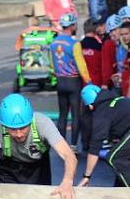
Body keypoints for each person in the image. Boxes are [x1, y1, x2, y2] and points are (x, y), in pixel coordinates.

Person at [0, 94, 78, 199]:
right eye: (13, 129)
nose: (19, 134)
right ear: (4, 125)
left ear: (30, 121)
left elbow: (69, 156)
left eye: (23, 127)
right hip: (8, 171)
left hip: (38, 169)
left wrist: (67, 181)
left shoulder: (43, 123)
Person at [49, 13, 91, 150]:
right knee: (75, 115)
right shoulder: (74, 44)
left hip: (60, 82)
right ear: (72, 26)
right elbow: (81, 66)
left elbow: (51, 64)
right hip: (74, 82)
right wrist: (89, 82)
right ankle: (73, 145)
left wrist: (58, 74)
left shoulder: (53, 43)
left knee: (62, 115)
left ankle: (61, 146)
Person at [80, 18, 105, 152]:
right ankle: (97, 143)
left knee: (85, 116)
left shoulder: (79, 46)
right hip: (97, 84)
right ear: (95, 30)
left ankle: (85, 143)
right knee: (98, 115)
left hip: (83, 85)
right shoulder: (99, 46)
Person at [101, 14, 124, 92]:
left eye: (113, 30)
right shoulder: (117, 45)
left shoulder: (128, 44)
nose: (111, 34)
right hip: (120, 82)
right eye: (110, 32)